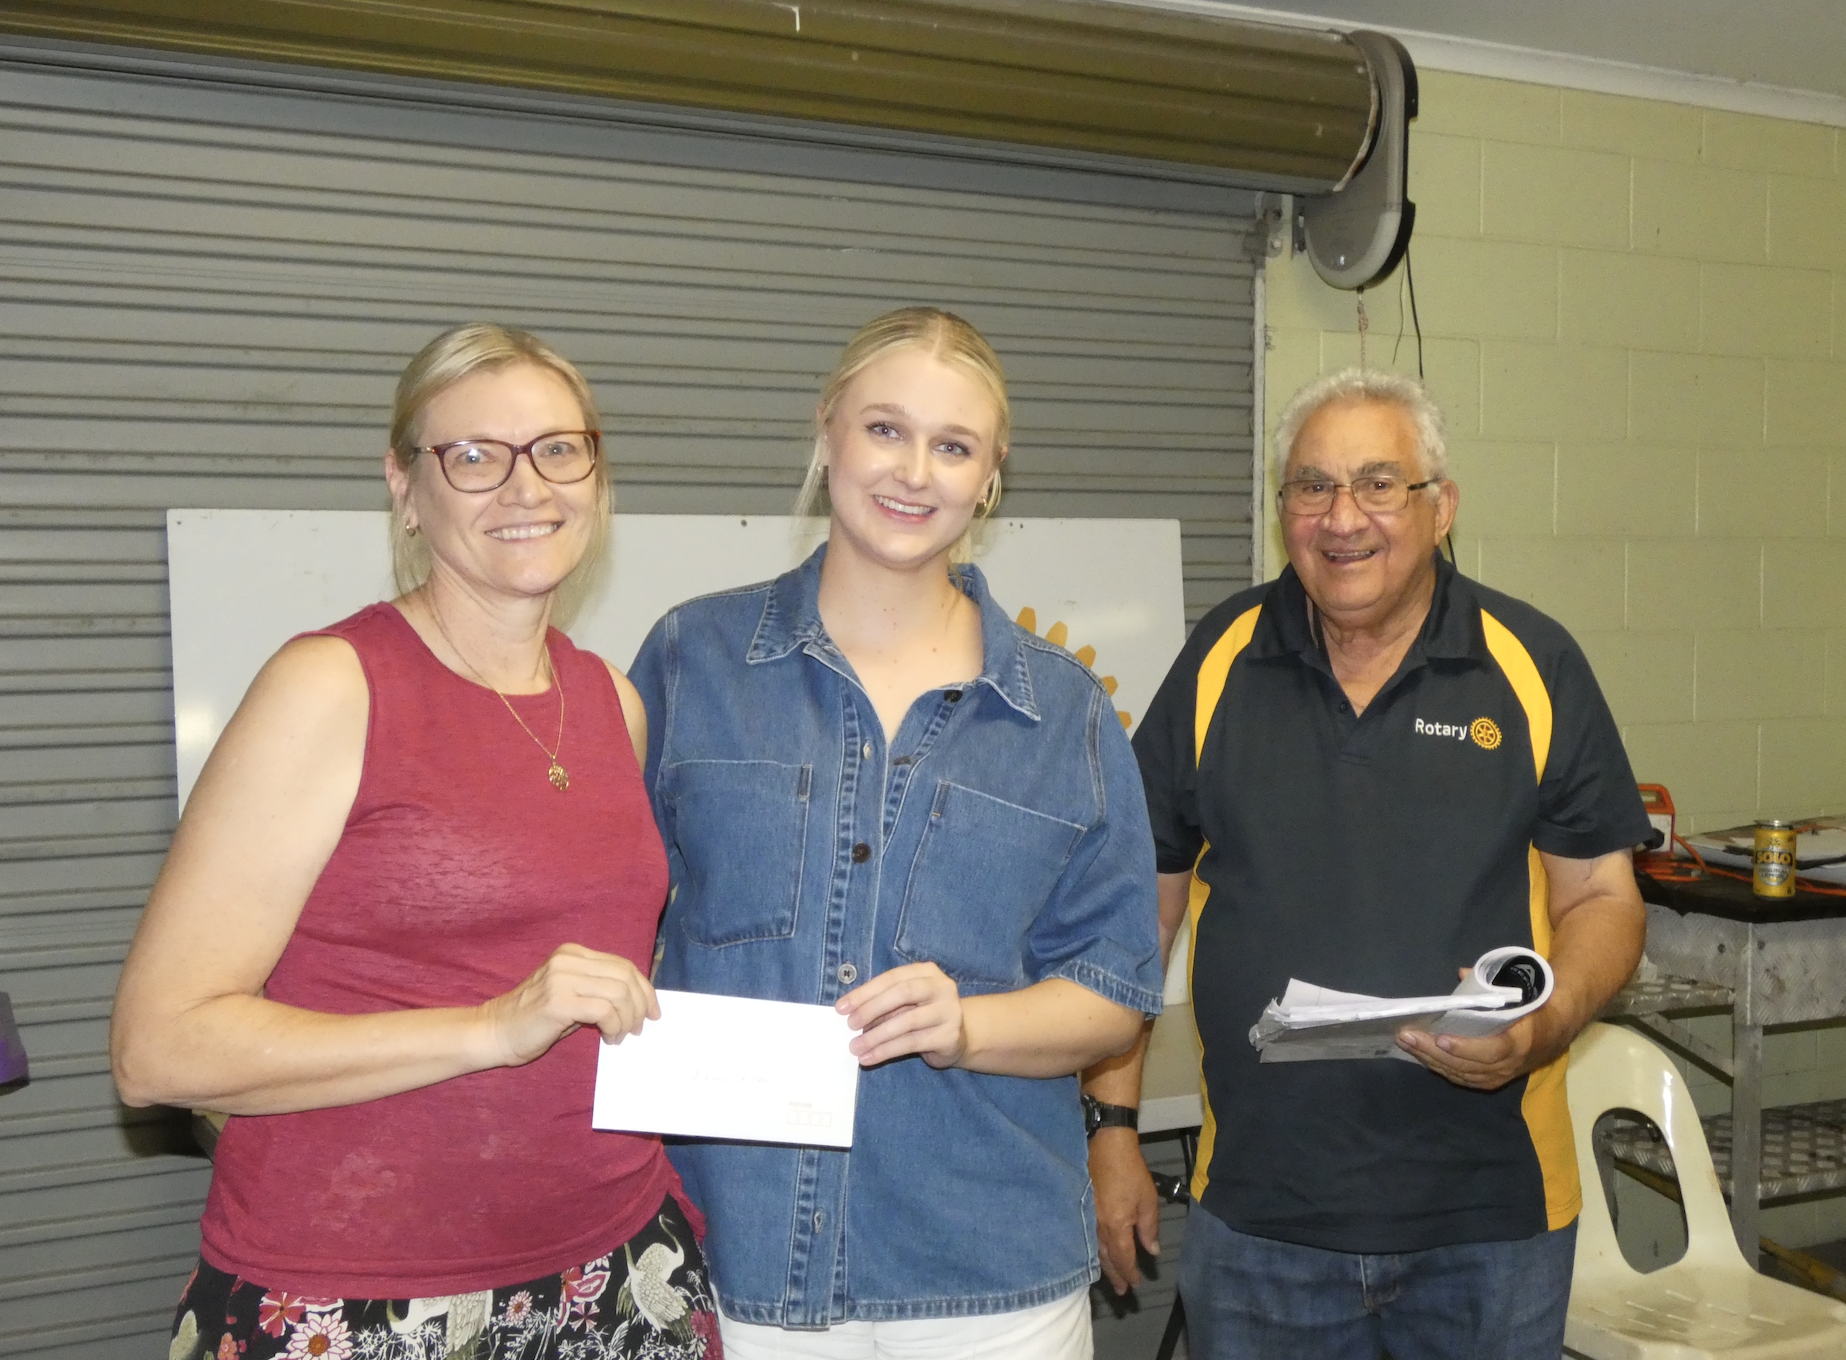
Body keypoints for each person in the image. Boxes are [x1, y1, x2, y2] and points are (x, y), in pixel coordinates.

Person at [112, 324, 722, 1360]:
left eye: (558, 449)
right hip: (363, 1299)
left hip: (618, 1273)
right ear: (405, 487)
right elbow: (157, 1050)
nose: (526, 487)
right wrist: (488, 1027)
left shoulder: (609, 701)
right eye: (474, 456)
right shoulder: (332, 686)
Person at [629, 306, 1164, 1359]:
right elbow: (605, 918)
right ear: (827, 429)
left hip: (992, 1289)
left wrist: (968, 1027)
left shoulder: (1065, 714)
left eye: (953, 446)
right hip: (735, 1268)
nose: (914, 473)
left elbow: (1113, 994)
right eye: (885, 429)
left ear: (990, 476)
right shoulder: (693, 660)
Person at [1083, 368, 1649, 1359]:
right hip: (1261, 1220)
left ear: (1442, 507)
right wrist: (1111, 1128)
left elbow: (1603, 895)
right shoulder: (1221, 660)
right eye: (1312, 486)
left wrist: (1544, 1026)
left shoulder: (1531, 662)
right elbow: (1138, 913)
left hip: (1492, 1222)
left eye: (1379, 484)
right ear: (1284, 513)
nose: (1342, 518)